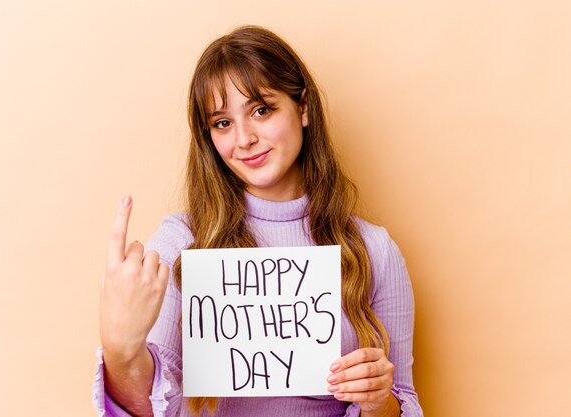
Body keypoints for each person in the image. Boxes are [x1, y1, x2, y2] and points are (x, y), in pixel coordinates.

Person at [93, 25, 423, 417]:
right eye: (222, 123)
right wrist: (121, 351)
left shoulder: (373, 249)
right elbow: (153, 409)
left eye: (261, 110)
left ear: (303, 108)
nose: (245, 138)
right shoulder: (181, 243)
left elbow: (405, 403)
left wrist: (378, 400)